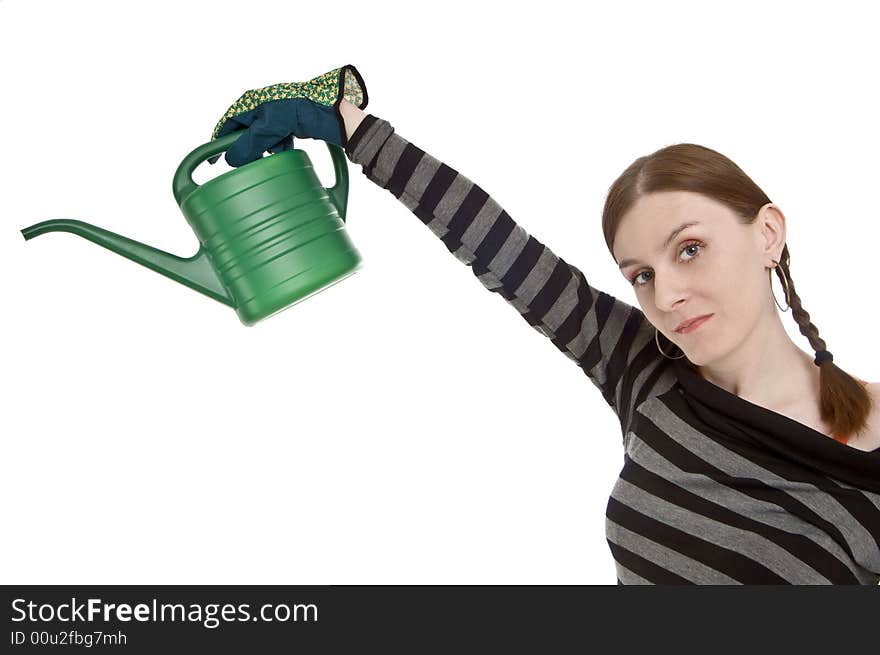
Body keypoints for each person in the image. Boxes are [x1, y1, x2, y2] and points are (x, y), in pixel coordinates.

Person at [209, 65, 880, 584]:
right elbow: (504, 250)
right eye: (641, 274)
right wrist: (356, 129)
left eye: (689, 249)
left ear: (767, 234)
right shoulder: (648, 377)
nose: (668, 293)